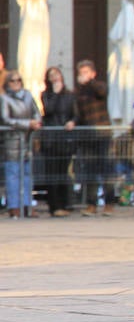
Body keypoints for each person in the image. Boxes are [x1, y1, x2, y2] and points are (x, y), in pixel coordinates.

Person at [73, 59, 114, 216]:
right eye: (81, 73)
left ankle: (109, 203)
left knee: (106, 170)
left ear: (92, 74)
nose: (82, 76)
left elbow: (102, 92)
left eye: (86, 72)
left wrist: (90, 82)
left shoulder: (98, 86)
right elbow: (79, 114)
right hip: (88, 135)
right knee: (90, 171)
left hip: (102, 133)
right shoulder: (79, 92)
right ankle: (91, 204)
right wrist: (73, 122)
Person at [2, 70, 42, 217]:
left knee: (27, 175)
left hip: (27, 141)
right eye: (13, 81)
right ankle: (14, 207)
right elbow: (6, 119)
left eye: (18, 80)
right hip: (12, 141)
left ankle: (27, 205)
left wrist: (36, 122)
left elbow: (36, 112)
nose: (16, 83)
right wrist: (27, 124)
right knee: (13, 175)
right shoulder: (4, 98)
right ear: (8, 83)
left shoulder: (28, 96)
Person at [40, 66, 77, 217]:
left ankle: (65, 204)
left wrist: (73, 122)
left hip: (65, 139)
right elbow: (48, 110)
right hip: (51, 139)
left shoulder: (69, 95)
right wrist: (55, 94)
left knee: (63, 172)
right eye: (51, 75)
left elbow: (76, 113)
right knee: (52, 173)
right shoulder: (46, 94)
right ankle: (54, 206)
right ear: (48, 79)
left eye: (57, 74)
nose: (55, 77)